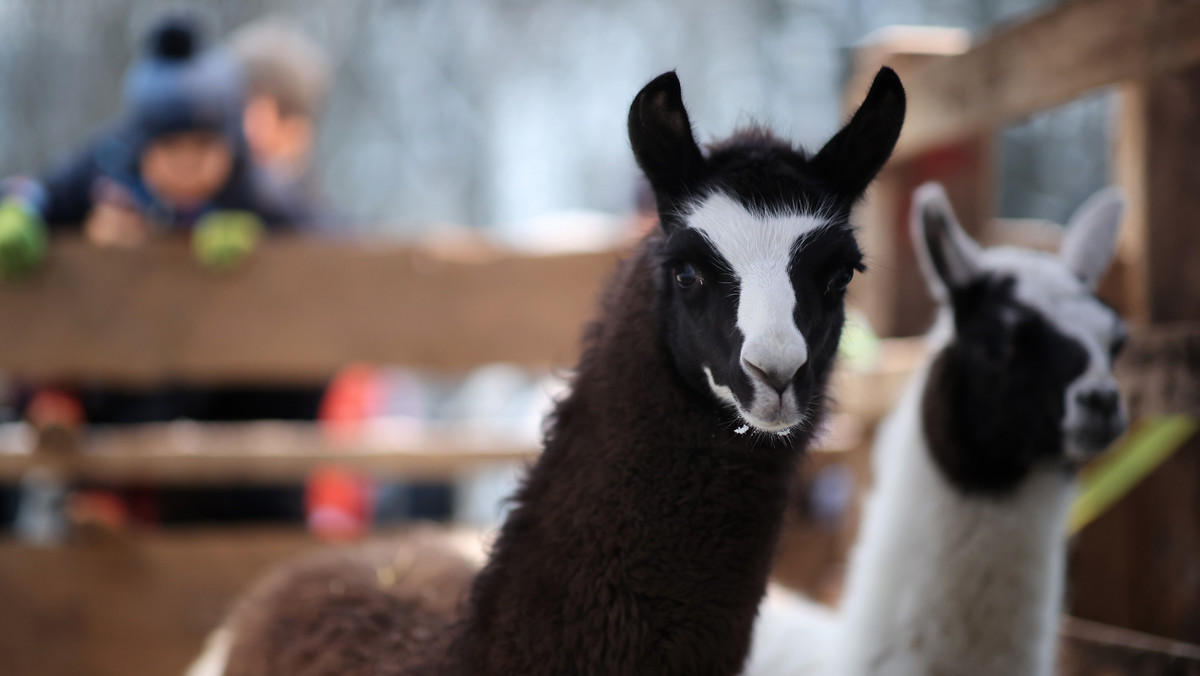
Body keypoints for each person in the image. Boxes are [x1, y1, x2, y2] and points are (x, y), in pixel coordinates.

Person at [0, 12, 312, 280]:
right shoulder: (108, 166)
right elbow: (42, 191)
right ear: (140, 148)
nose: (187, 164)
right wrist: (23, 215)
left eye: (203, 147)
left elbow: (312, 227)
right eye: (170, 149)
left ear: (231, 148)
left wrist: (256, 231)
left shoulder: (245, 188)